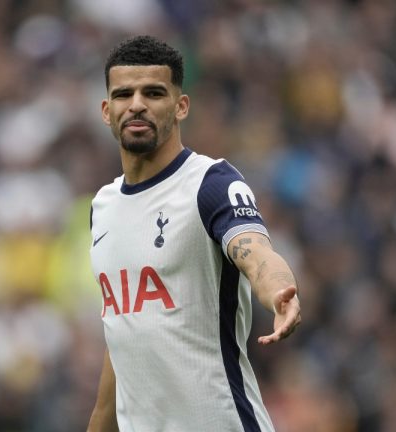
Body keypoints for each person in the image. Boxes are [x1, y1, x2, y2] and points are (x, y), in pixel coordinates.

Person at [87, 35, 301, 432]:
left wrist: (278, 291)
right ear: (106, 110)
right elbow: (125, 332)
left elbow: (255, 253)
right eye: (123, 94)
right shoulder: (103, 207)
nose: (136, 104)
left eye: (153, 92)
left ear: (181, 105)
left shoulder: (210, 183)